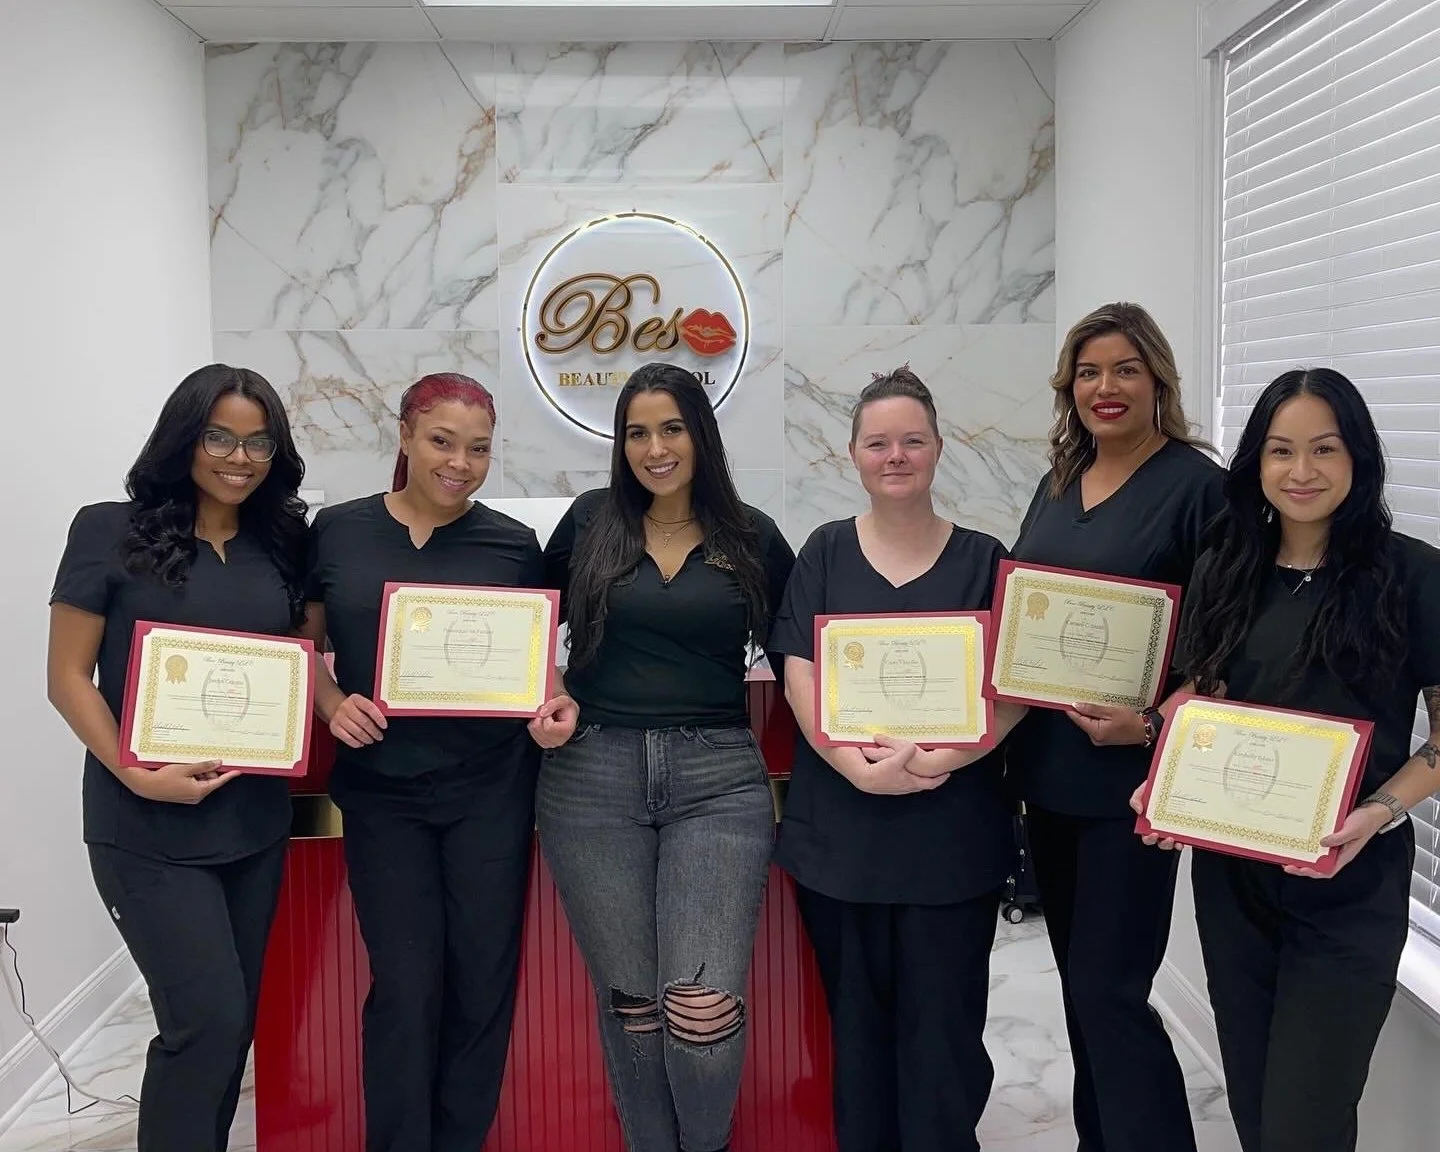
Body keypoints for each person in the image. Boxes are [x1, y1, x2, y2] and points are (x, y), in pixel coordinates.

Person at [1126, 368, 1440, 1152]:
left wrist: (1378, 811)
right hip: (1236, 885)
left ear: (1358, 459)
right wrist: (1163, 780)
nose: (1302, 472)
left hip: (1351, 884)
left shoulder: (1413, 576)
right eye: (1281, 451)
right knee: (1257, 1111)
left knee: (1306, 1124)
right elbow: (1203, 696)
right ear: (1256, 464)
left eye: (1324, 450)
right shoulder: (1226, 569)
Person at [301, 372, 576, 1152]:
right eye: (442, 442)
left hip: (490, 788)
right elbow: (305, 646)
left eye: (479, 449)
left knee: (481, 984)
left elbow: (536, 664)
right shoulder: (340, 530)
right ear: (405, 435)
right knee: (406, 986)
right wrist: (330, 703)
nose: (460, 462)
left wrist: (554, 706)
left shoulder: (512, 545)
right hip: (382, 792)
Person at [46, 365, 310, 1152]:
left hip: (254, 824)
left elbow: (300, 657)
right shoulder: (106, 529)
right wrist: (133, 770)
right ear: (184, 439)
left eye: (258, 440)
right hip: (144, 823)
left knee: (232, 1033)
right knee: (205, 1022)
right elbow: (67, 678)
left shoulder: (282, 541)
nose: (240, 456)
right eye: (219, 437)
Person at [767, 367, 1027, 1152]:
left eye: (913, 440)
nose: (897, 456)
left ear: (939, 449)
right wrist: (853, 766)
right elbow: (798, 669)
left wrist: (958, 749)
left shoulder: (987, 558)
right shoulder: (825, 551)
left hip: (951, 832)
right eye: (879, 442)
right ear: (852, 454)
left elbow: (1014, 683)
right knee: (857, 1026)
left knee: (943, 1027)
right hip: (842, 833)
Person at [539, 362, 795, 1152]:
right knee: (634, 1006)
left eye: (671, 428)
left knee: (701, 1006)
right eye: (637, 432)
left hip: (719, 782)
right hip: (591, 780)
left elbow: (807, 661)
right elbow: (517, 622)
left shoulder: (752, 535)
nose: (654, 447)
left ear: (701, 434)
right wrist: (549, 692)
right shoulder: (588, 522)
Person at [1005, 302, 1224, 1152]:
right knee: (1079, 990)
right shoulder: (1059, 480)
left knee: (1110, 992)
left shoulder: (1200, 488)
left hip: (1130, 785)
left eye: (1125, 369)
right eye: (1089, 371)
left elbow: (1228, 639)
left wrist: (1152, 723)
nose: (1106, 387)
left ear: (1157, 380)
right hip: (1048, 778)